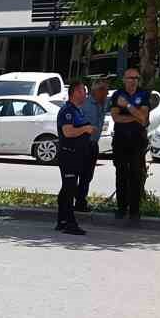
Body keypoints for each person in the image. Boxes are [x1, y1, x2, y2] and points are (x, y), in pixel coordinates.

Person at [109, 68, 151, 221]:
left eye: (136, 78)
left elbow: (143, 118)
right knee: (121, 173)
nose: (133, 80)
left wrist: (127, 106)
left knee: (136, 174)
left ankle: (134, 210)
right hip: (120, 140)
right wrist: (135, 116)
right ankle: (121, 208)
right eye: (130, 77)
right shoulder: (117, 94)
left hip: (137, 141)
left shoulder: (144, 94)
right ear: (124, 79)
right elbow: (116, 118)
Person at [54, 81, 95, 236]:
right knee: (69, 188)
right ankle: (70, 223)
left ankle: (62, 220)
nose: (85, 94)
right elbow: (68, 132)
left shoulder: (78, 110)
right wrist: (85, 128)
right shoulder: (67, 111)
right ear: (75, 93)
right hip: (68, 154)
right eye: (83, 91)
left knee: (67, 188)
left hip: (78, 154)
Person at [77, 80, 111, 212]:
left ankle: (80, 200)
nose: (107, 93)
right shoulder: (84, 104)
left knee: (88, 176)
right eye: (105, 91)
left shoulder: (103, 103)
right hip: (83, 144)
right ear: (98, 91)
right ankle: (76, 201)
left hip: (93, 145)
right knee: (80, 174)